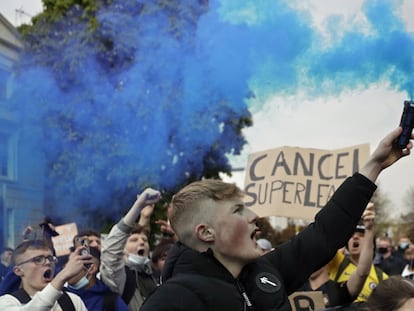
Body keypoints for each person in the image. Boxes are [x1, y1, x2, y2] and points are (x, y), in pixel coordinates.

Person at [140, 127, 413, 311]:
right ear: (206, 233)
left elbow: (323, 235)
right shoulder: (172, 301)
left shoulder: (263, 273)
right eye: (238, 211)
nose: (254, 215)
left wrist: (375, 164)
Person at [299, 203, 376, 309]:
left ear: (328, 257)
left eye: (316, 254)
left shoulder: (338, 291)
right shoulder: (294, 287)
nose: (311, 260)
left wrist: (369, 229)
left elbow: (362, 273)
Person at [100, 201, 160, 310]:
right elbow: (111, 253)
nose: (142, 242)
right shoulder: (119, 276)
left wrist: (145, 217)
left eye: (145, 240)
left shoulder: (156, 275)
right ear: (122, 250)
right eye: (134, 240)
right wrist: (137, 207)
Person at [0, 239, 92, 310]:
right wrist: (62, 276)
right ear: (18, 270)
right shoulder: (7, 302)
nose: (48, 263)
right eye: (38, 260)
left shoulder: (72, 300)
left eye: (50, 258)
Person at [328, 218, 388, 304]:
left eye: (361, 235)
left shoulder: (382, 277)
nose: (355, 237)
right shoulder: (337, 262)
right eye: (351, 235)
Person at [66, 246, 130, 311]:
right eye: (67, 264)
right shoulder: (60, 297)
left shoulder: (111, 302)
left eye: (73, 264)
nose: (67, 268)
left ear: (91, 269)